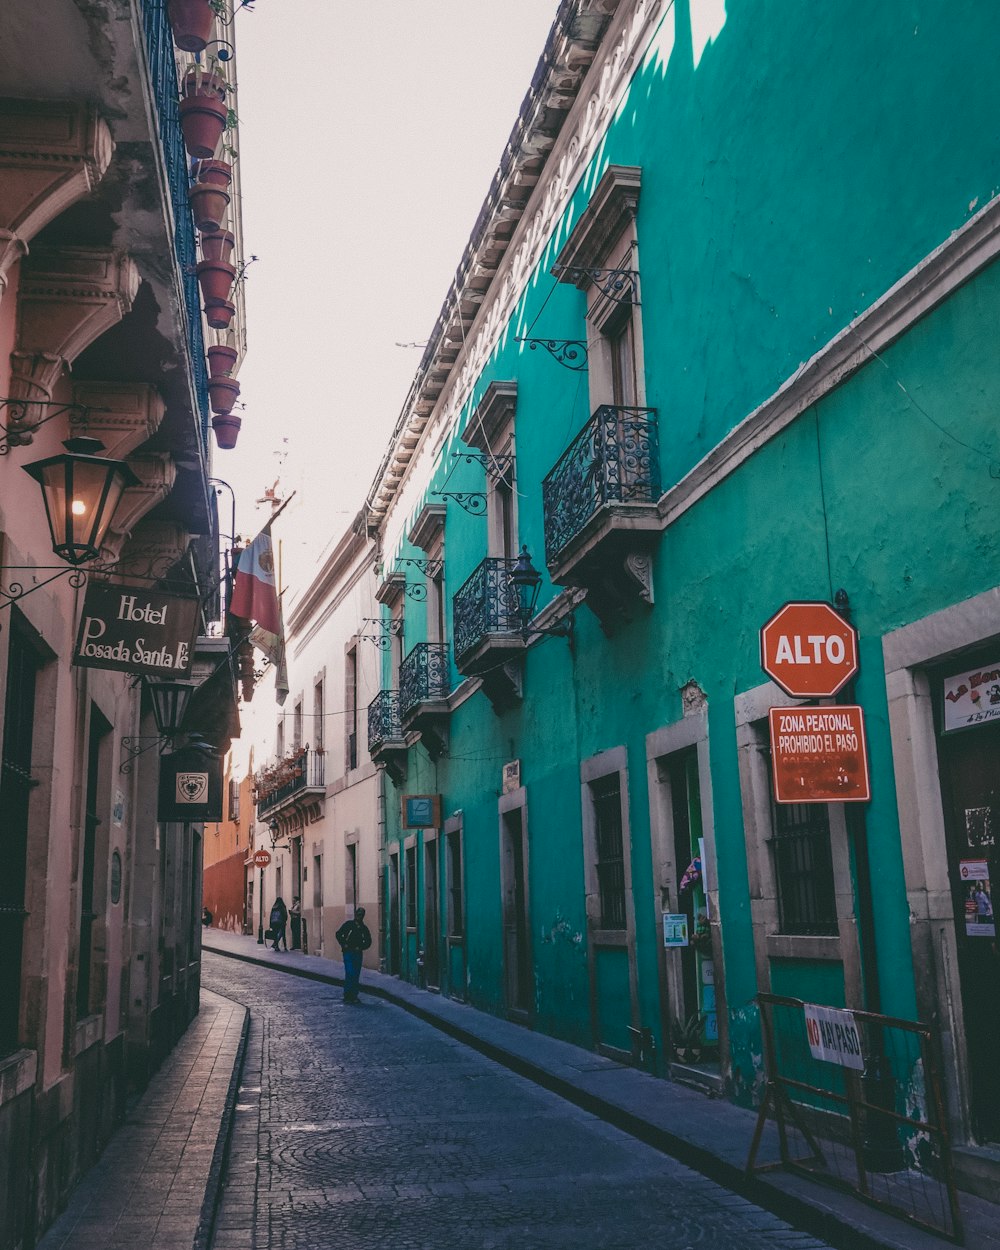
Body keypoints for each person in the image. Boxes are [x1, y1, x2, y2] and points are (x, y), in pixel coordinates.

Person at [336, 906, 372, 1003]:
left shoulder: (364, 928)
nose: (359, 917)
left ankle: (354, 995)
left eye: (361, 915)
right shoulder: (349, 925)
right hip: (348, 952)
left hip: (358, 953)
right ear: (356, 915)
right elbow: (339, 934)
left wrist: (361, 947)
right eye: (358, 914)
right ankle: (348, 994)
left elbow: (368, 941)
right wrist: (344, 944)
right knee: (350, 972)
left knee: (356, 974)